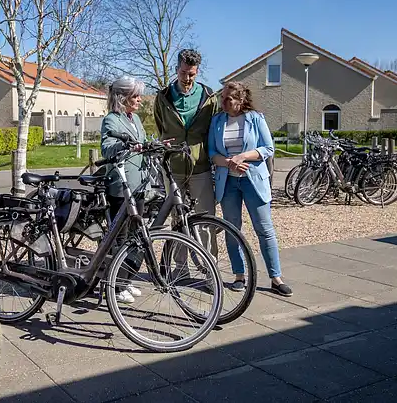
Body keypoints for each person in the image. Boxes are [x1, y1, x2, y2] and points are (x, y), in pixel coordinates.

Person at [208, 81, 292, 297]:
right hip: (228, 182)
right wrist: (228, 162)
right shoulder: (217, 121)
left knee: (264, 229)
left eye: (228, 99)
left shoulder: (255, 118)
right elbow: (211, 153)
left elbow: (268, 148)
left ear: (241, 99)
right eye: (222, 98)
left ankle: (276, 278)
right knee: (232, 229)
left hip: (253, 180)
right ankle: (239, 276)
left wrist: (243, 156)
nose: (223, 102)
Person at [153, 49, 220, 255]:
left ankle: (210, 271)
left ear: (197, 72)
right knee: (177, 218)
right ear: (176, 69)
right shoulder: (163, 97)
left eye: (191, 74)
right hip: (173, 167)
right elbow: (160, 127)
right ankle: (180, 269)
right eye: (183, 73)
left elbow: (213, 129)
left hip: (200, 166)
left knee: (206, 218)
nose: (187, 78)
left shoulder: (209, 97)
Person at [101, 75, 147, 304]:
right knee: (120, 238)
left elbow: (143, 143)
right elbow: (107, 149)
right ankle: (116, 286)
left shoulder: (135, 119)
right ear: (123, 98)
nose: (139, 100)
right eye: (135, 96)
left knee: (135, 235)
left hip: (138, 185)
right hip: (120, 186)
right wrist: (124, 144)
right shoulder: (111, 120)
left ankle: (126, 280)